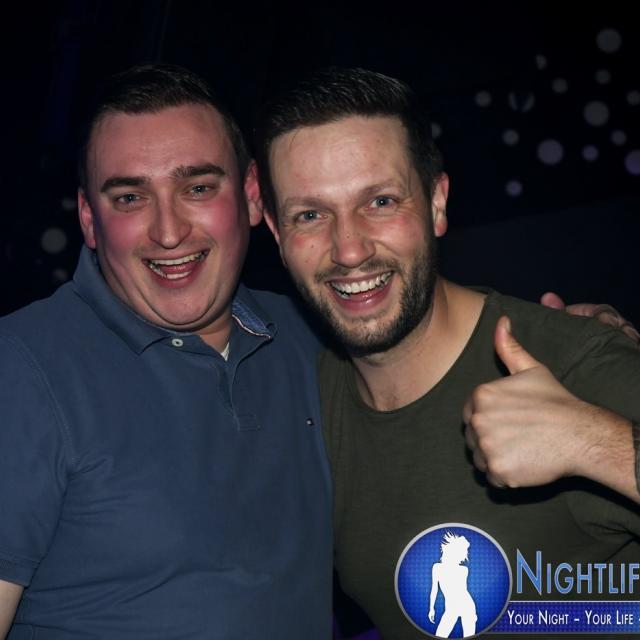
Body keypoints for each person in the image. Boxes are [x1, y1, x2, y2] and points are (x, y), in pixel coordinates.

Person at [252, 67, 640, 639]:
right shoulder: (307, 397)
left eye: (380, 201)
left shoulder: (572, 364)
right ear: (277, 234)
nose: (349, 248)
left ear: (436, 202)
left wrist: (593, 443)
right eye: (310, 215)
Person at [0, 64, 332, 639]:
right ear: (90, 220)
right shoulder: (21, 367)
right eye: (130, 197)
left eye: (197, 188)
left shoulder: (312, 340)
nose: (169, 231)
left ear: (252, 195)